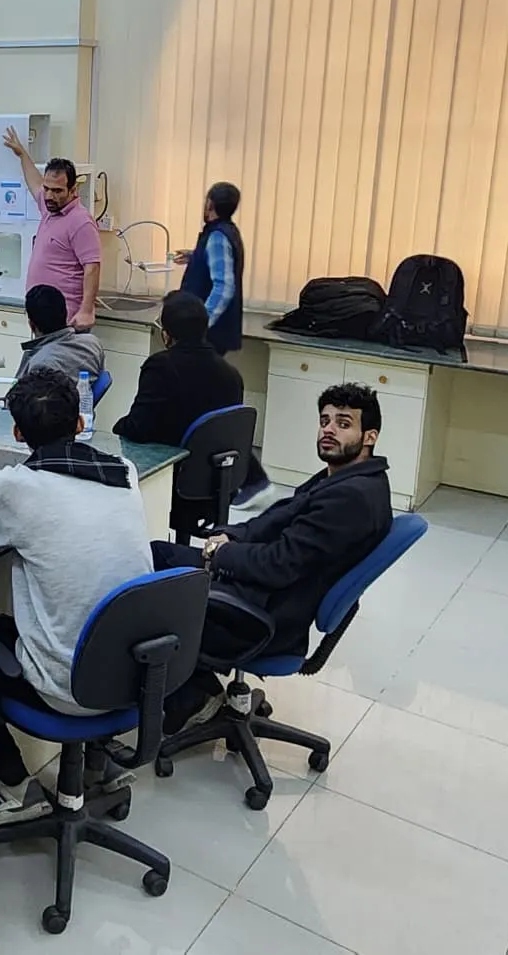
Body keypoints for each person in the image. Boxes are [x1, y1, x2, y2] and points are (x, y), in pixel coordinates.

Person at [0, 369, 151, 809]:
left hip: (66, 687)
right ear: (80, 423)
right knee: (94, 605)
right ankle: (98, 763)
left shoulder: (17, 485)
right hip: (135, 672)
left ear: (17, 432)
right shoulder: (123, 472)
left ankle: (14, 782)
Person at [155, 384, 392, 728]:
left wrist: (219, 554)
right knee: (160, 554)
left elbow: (278, 565)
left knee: (150, 577)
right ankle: (195, 689)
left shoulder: (351, 498)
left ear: (369, 436)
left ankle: (191, 697)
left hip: (264, 614)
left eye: (343, 423)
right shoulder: (349, 477)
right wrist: (228, 536)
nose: (328, 429)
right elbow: (277, 518)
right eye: (325, 420)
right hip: (272, 593)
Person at [1, 125, 101, 330]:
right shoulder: (49, 209)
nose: (48, 195)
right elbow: (34, 182)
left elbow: (92, 267)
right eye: (47, 188)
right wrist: (22, 154)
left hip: (66, 319)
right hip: (41, 316)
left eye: (57, 191)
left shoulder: (80, 221)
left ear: (73, 190)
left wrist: (86, 310)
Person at [114, 291, 245, 446]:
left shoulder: (160, 367)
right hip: (212, 466)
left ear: (166, 335)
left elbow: (138, 428)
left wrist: (118, 427)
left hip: (172, 463)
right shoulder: (232, 375)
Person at [176, 181, 245, 352]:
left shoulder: (217, 237)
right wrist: (196, 256)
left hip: (207, 335)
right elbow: (224, 263)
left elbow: (224, 287)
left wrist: (201, 324)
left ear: (210, 204)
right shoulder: (227, 231)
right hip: (211, 333)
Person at [13, 284, 106, 387]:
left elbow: (31, 402)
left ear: (32, 326)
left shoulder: (40, 365)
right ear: (66, 313)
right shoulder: (92, 343)